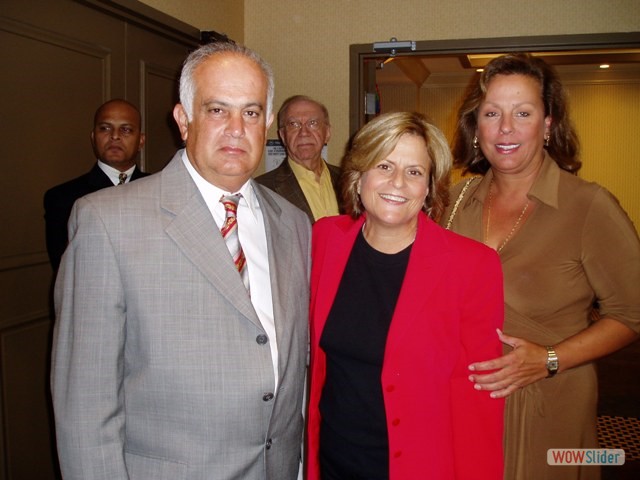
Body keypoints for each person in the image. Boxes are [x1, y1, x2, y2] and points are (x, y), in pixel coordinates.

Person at [50, 41, 311, 480]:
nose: (235, 128)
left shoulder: (294, 224)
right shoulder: (106, 220)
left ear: (267, 122)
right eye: (216, 110)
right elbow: (84, 405)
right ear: (183, 119)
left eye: (250, 112)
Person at [442, 53, 640, 480]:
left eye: (523, 112)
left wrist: (550, 358)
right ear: (476, 127)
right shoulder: (457, 200)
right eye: (492, 113)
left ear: (548, 124)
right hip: (466, 401)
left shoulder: (588, 205)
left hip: (549, 402)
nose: (506, 128)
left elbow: (633, 313)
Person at [307, 111, 505, 480]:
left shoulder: (473, 266)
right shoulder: (325, 240)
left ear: (429, 186)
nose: (397, 182)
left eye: (414, 172)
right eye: (384, 165)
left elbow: (479, 403)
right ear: (359, 174)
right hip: (334, 462)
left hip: (416, 468)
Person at [43, 99, 149, 271]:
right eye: (105, 128)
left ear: (141, 141)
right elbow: (67, 271)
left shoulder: (161, 190)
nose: (115, 136)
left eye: (126, 129)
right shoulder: (62, 198)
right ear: (93, 137)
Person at [255, 95, 341, 223]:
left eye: (313, 123)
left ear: (327, 133)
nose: (304, 133)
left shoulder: (349, 180)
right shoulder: (262, 190)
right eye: (294, 124)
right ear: (283, 136)